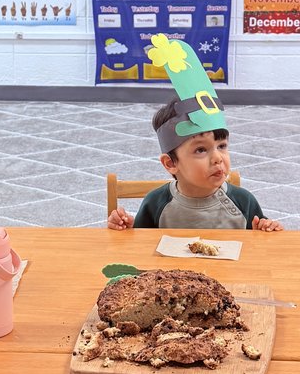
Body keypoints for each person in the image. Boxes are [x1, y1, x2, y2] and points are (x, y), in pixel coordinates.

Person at [107, 34, 282, 231]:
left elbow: (262, 248)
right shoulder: (156, 203)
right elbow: (139, 248)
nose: (217, 158)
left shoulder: (243, 201)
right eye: (201, 150)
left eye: (222, 146)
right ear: (171, 163)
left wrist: (267, 229)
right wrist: (127, 229)